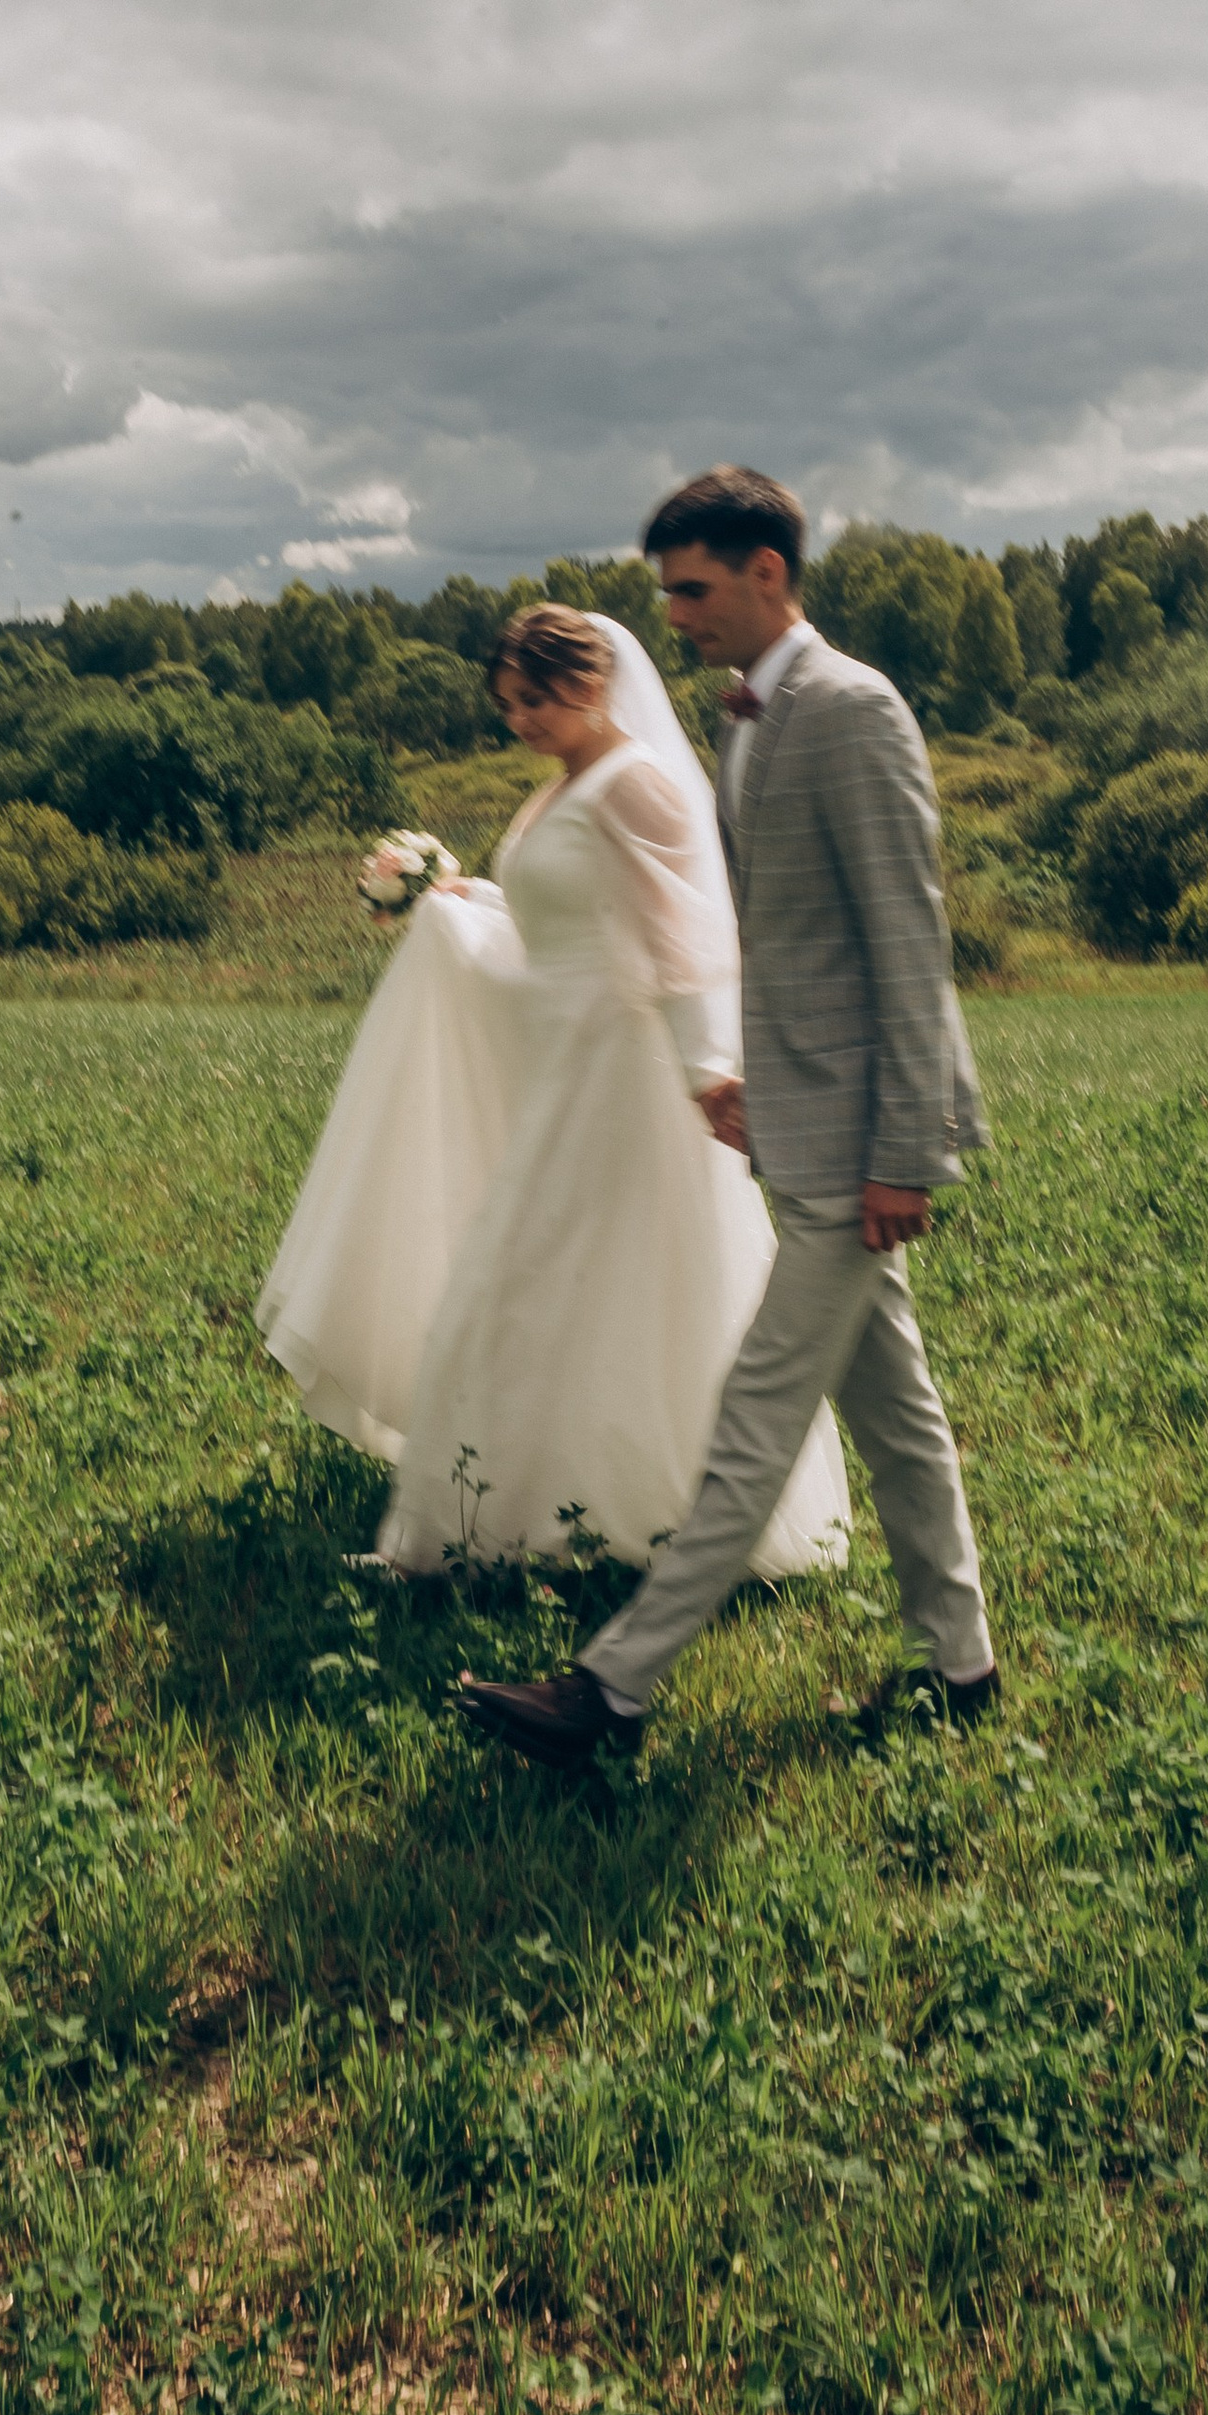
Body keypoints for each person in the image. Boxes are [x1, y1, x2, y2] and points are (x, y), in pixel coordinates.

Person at [459, 465, 997, 1771]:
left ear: (768, 571)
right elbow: (774, 935)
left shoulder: (853, 707)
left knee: (757, 1415)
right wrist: (749, 1069)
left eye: (695, 589)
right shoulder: (750, 717)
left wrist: (907, 1152)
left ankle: (611, 1688)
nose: (676, 615)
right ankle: (962, 1662)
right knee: (898, 1413)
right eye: (669, 592)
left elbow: (905, 940)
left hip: (858, 1154)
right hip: (800, 1123)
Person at [254, 596, 849, 1583]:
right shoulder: (565, 785)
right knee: (542, 1288)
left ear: (594, 680)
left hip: (623, 1078)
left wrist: (707, 1070)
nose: (521, 718)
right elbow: (570, 920)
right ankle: (508, 1519)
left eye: (537, 697)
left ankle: (478, 1534)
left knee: (547, 1285)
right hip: (563, 1068)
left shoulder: (637, 783)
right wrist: (467, 900)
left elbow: (686, 943)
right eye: (508, 703)